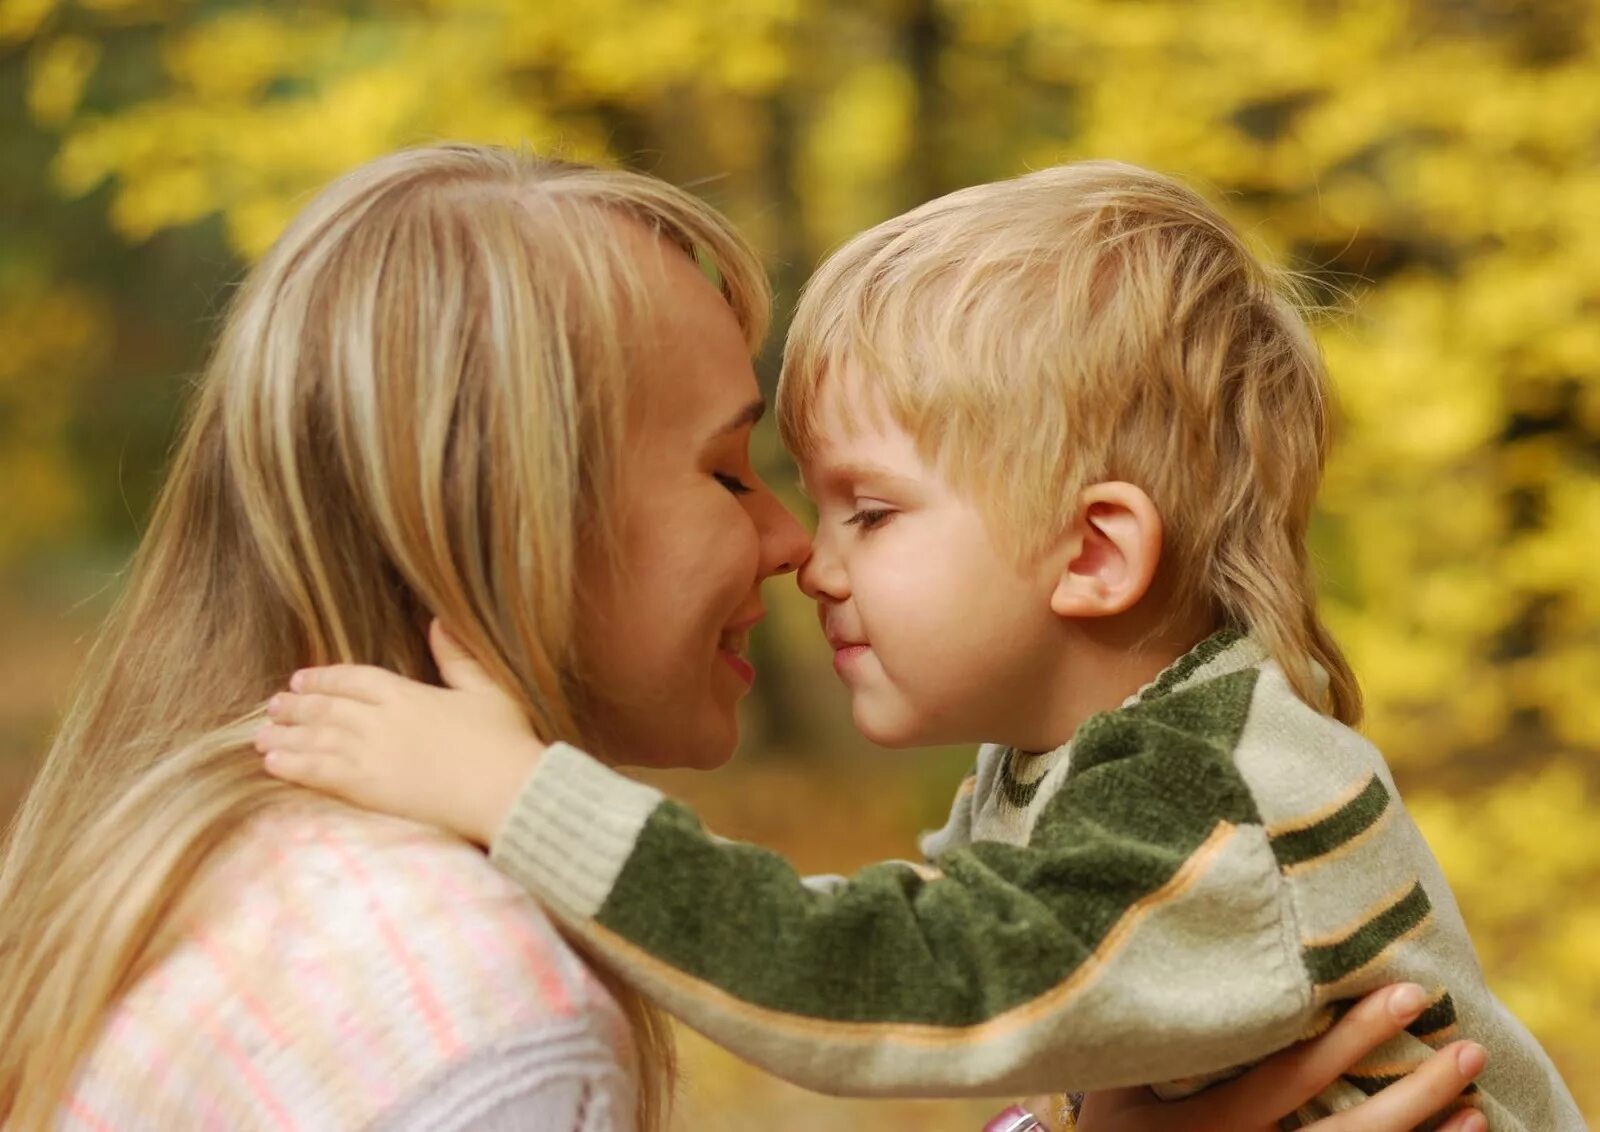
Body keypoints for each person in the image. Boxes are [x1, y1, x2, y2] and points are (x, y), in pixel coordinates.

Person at [0, 143, 1474, 1132]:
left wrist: (529, 803)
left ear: (1092, 552)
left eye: (865, 512)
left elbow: (900, 975)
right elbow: (906, 969)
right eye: (732, 472)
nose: (793, 554)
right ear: (532, 517)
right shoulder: (464, 990)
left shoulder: (1187, 794)